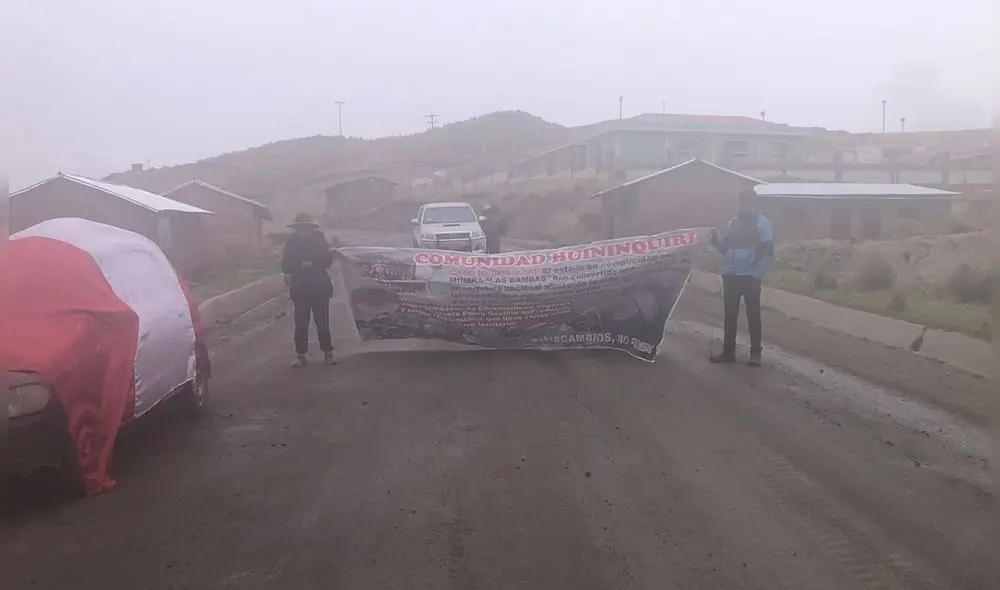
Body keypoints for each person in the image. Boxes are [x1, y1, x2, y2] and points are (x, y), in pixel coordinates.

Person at [709, 188, 774, 367]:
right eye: (742, 201)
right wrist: (715, 240)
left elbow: (768, 251)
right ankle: (728, 352)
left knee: (753, 314)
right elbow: (725, 248)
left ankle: (756, 354)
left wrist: (757, 274)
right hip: (731, 275)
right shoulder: (733, 223)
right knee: (730, 315)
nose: (744, 205)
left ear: (755, 203)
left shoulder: (763, 223)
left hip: (750, 276)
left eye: (748, 201)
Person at [281, 213, 336, 367]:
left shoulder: (320, 240)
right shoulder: (291, 243)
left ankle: (328, 353)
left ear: (310, 227)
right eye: (299, 227)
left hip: (319, 286)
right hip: (300, 288)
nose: (302, 230)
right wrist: (299, 265)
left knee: (322, 322)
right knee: (301, 323)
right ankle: (301, 355)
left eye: (305, 226)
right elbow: (285, 265)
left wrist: (313, 263)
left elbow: (327, 261)